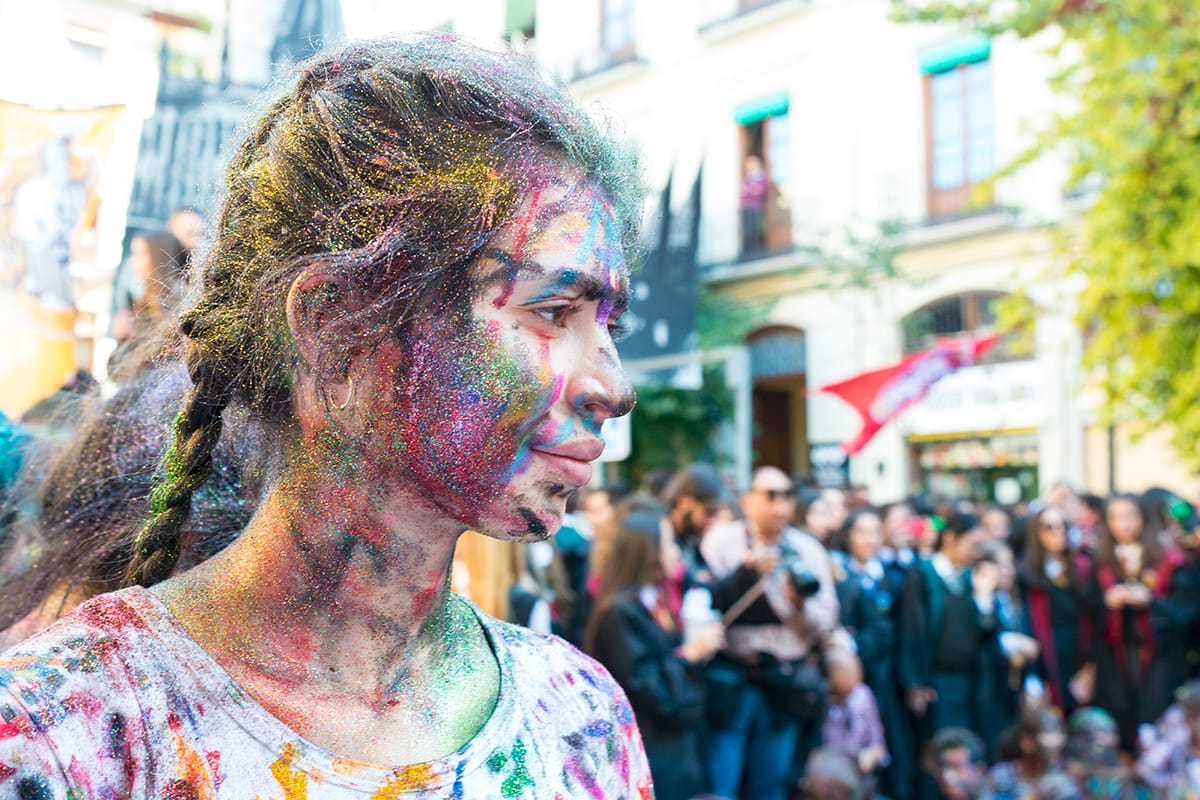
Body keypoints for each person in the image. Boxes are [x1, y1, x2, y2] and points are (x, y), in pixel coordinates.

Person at [0, 34, 652, 798]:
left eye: (610, 324)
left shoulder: (580, 719)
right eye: (553, 310)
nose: (614, 383)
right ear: (340, 326)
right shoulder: (63, 734)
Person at [701, 466, 839, 800]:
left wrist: (797, 604)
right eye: (770, 496)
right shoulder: (722, 541)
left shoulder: (807, 550)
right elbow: (705, 603)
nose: (780, 506)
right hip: (734, 675)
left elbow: (827, 620)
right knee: (722, 781)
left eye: (787, 496)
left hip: (785, 680)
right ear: (748, 500)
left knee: (772, 782)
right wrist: (747, 573)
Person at [588, 504, 725, 800]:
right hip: (650, 748)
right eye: (668, 542)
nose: (675, 551)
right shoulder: (618, 613)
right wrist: (689, 654)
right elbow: (643, 685)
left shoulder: (654, 601)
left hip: (678, 744)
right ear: (648, 551)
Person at [1087, 493, 1199, 750]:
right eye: (1115, 517)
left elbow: (1186, 609)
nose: (1123, 524)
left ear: (1142, 519)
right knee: (1120, 717)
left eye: (1129, 516)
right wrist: (1109, 601)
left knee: (1156, 720)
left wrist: (1150, 602)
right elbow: (1089, 611)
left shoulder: (1169, 560)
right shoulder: (1101, 561)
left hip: (1159, 654)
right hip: (1116, 654)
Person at [835, 507, 914, 800]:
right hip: (854, 680)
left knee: (894, 746)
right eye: (861, 532)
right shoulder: (840, 578)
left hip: (889, 679)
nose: (869, 540)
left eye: (874, 532)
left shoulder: (895, 577)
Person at [1017, 505, 1090, 713]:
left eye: (1063, 526)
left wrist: (1089, 668)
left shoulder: (1082, 567)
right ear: (1037, 532)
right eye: (1049, 527)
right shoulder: (1025, 572)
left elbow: (1093, 618)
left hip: (1078, 652)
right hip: (1045, 657)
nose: (1058, 532)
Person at [818, 647, 887, 793]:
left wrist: (872, 754)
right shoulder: (821, 700)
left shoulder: (863, 695)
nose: (853, 682)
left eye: (855, 674)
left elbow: (878, 741)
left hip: (859, 767)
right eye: (845, 675)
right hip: (829, 770)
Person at [739, 154, 768, 255]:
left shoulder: (761, 176)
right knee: (748, 231)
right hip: (747, 208)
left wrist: (750, 190)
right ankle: (749, 253)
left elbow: (759, 190)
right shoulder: (748, 177)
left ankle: (758, 252)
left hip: (757, 208)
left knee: (756, 231)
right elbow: (744, 191)